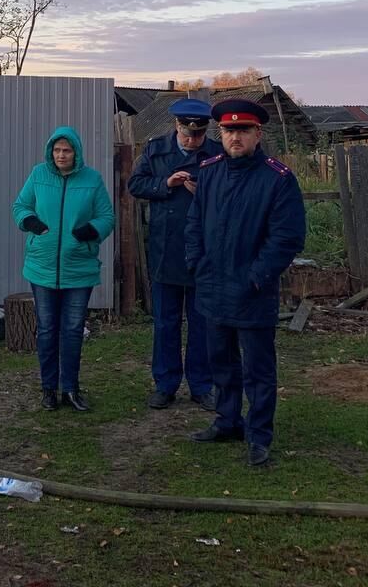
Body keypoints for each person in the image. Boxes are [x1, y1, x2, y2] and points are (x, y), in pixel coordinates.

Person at [185, 99, 305, 467]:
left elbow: (286, 238)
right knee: (220, 363)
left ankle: (259, 434)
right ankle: (227, 421)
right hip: (213, 289)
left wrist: (256, 278)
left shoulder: (277, 179)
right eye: (228, 131)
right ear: (220, 134)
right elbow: (195, 224)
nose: (235, 137)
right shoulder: (209, 172)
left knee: (258, 370)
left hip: (252, 293)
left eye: (243, 130)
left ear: (258, 134)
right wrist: (197, 265)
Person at [127, 98, 224, 412]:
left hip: (203, 252)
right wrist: (165, 184)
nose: (192, 139)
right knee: (166, 324)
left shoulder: (217, 154)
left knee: (201, 324)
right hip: (165, 250)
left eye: (198, 134)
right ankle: (165, 385)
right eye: (186, 132)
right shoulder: (155, 151)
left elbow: (232, 192)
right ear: (177, 126)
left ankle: (202, 385)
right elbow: (135, 185)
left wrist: (206, 194)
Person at [12, 126, 115, 412]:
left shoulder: (92, 180)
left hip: (78, 268)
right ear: (50, 151)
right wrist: (31, 222)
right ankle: (48, 389)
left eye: (66, 150)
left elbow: (107, 216)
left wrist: (89, 231)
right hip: (42, 266)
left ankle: (70, 388)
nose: (61, 155)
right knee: (46, 330)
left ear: (76, 152)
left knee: (71, 329)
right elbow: (20, 206)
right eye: (57, 150)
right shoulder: (38, 175)